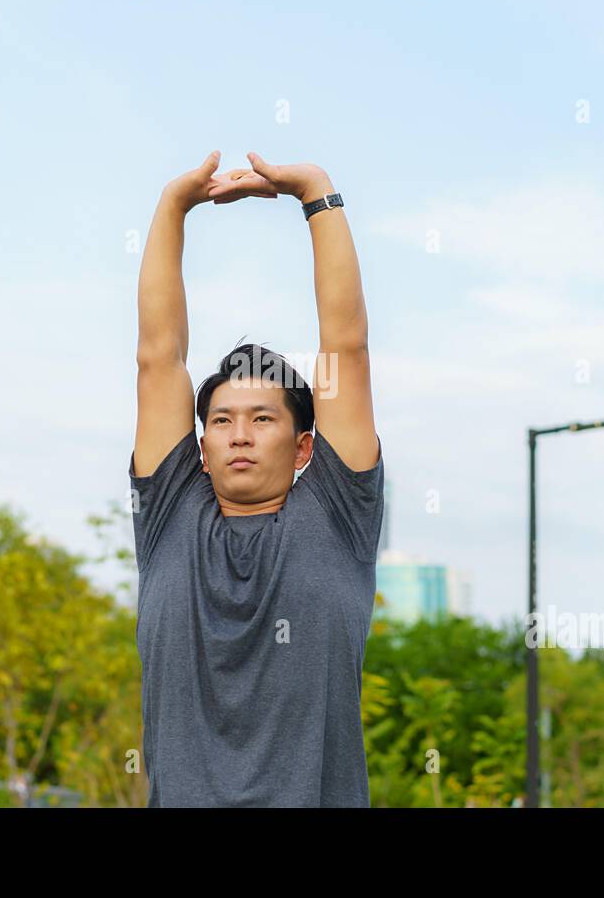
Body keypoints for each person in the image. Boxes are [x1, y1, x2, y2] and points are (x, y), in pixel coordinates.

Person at [129, 151, 384, 807]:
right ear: (202, 445)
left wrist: (316, 193)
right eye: (221, 421)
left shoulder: (337, 514)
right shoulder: (169, 516)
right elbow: (158, 357)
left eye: (262, 418)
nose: (238, 434)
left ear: (304, 447)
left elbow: (346, 350)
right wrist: (173, 204)